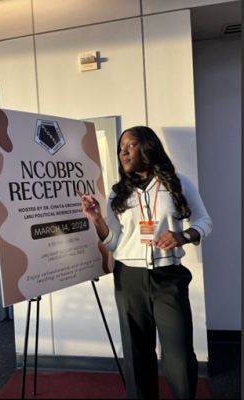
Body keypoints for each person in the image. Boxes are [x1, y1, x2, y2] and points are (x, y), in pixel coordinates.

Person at [80, 126, 212, 399]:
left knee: (179, 353)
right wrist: (98, 221)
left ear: (148, 146)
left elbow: (204, 221)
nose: (123, 152)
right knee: (136, 351)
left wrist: (183, 236)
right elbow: (114, 242)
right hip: (128, 278)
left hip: (169, 277)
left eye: (131, 145)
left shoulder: (178, 183)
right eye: (120, 147)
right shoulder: (119, 194)